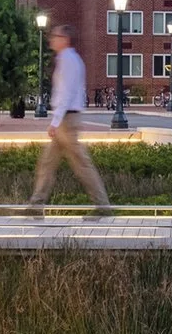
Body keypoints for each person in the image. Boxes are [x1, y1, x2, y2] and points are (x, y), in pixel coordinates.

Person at [28, 23, 111, 211]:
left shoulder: (69, 61)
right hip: (66, 119)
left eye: (55, 36)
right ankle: (36, 204)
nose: (51, 40)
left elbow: (66, 94)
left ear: (65, 39)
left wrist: (55, 122)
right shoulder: (67, 59)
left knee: (81, 164)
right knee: (48, 163)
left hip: (67, 120)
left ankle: (103, 205)